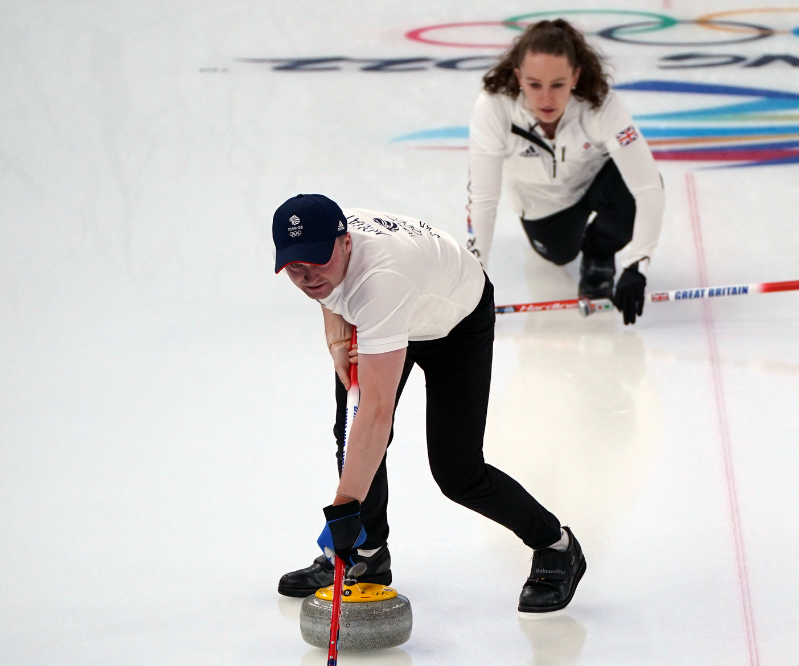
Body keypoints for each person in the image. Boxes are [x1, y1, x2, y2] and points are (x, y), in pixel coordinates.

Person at [271, 193, 585, 613]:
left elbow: (376, 411)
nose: (308, 277)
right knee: (352, 439)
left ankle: (556, 545)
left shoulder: (381, 282)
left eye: (316, 262)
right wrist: (336, 338)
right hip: (400, 309)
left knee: (458, 473)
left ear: (345, 242)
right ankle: (367, 557)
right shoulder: (329, 250)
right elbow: (328, 288)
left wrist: (344, 512)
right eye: (295, 267)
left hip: (456, 320)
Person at [466, 19, 665, 325]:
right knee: (559, 255)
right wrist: (472, 284)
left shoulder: (600, 105)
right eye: (534, 85)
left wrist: (637, 265)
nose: (546, 99)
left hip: (598, 182)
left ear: (575, 76)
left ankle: (599, 255)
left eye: (558, 85)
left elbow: (649, 187)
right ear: (518, 76)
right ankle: (570, 241)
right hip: (543, 205)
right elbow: (483, 199)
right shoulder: (494, 107)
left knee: (631, 202)